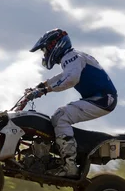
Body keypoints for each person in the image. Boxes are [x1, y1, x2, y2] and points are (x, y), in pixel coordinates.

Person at [25, 28, 118, 177]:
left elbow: (70, 79)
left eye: (45, 50)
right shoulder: (72, 57)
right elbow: (63, 76)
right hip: (99, 98)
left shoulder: (72, 57)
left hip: (103, 99)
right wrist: (40, 86)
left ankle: (69, 167)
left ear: (55, 45)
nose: (45, 54)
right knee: (57, 117)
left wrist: (44, 91)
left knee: (61, 116)